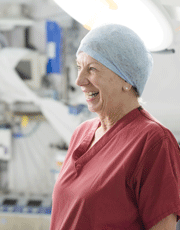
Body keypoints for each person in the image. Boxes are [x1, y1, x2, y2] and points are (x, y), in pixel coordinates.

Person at [50, 24, 180, 229]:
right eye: (78, 67)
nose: (79, 80)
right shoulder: (82, 132)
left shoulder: (153, 141)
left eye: (91, 69)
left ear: (126, 79)